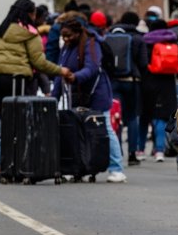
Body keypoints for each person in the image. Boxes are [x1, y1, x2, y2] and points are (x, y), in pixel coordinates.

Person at [52, 18, 127, 183]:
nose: (65, 39)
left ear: (78, 33)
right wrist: (53, 98)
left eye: (68, 36)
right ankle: (82, 167)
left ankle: (117, 169)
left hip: (97, 93)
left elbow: (92, 68)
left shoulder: (92, 44)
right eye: (63, 36)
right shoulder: (67, 48)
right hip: (78, 94)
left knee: (105, 129)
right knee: (78, 131)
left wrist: (75, 77)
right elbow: (60, 72)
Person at [0, 0, 71, 113]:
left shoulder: (1, 31)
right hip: (18, 80)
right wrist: (61, 71)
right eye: (34, 14)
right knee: (19, 118)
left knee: (5, 118)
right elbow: (39, 63)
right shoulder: (30, 33)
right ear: (29, 14)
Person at [140, 19, 178, 162]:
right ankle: (159, 151)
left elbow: (141, 62)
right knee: (161, 118)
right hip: (167, 84)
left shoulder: (146, 43)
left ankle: (140, 150)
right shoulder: (172, 43)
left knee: (146, 116)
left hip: (148, 82)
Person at [107, 11, 148, 166]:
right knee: (132, 117)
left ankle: (117, 152)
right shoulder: (138, 38)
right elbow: (143, 63)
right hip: (132, 82)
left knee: (116, 116)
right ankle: (132, 154)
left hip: (113, 81)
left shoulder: (108, 37)